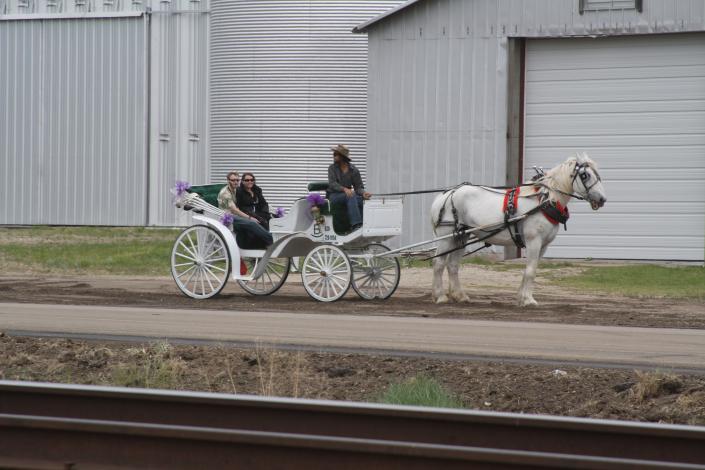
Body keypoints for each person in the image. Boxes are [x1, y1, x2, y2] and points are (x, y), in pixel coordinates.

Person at [218, 170, 273, 249]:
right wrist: (250, 218)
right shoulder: (225, 193)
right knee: (252, 223)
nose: (235, 182)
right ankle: (272, 240)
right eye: (233, 180)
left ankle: (261, 245)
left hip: (236, 215)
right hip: (228, 216)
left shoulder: (235, 190)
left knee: (263, 219)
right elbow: (234, 210)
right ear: (228, 180)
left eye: (237, 180)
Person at [327, 144, 371, 231]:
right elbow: (332, 184)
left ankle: (365, 225)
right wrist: (344, 189)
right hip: (334, 195)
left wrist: (364, 193)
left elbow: (358, 187)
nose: (333, 155)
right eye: (334, 154)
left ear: (342, 157)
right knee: (350, 195)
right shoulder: (332, 168)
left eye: (336, 154)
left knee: (361, 199)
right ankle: (356, 225)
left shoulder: (354, 170)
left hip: (348, 195)